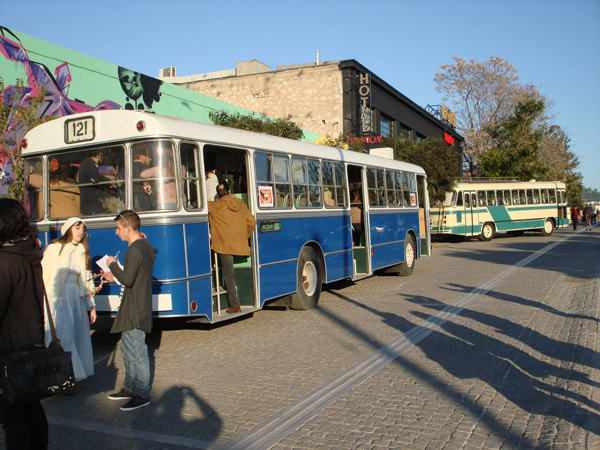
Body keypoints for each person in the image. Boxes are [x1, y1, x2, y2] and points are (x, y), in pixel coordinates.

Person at [0, 199, 49, 449]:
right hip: (32, 341)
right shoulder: (29, 254)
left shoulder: (6, 260)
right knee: (32, 408)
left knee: (14, 415)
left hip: (10, 346)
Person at [103, 210, 157, 411]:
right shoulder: (143, 246)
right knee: (128, 350)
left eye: (118, 228)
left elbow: (128, 279)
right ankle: (130, 387)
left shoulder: (134, 249)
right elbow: (132, 277)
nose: (116, 233)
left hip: (135, 308)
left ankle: (141, 393)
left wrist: (113, 265)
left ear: (128, 228)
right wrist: (114, 275)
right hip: (135, 305)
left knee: (136, 352)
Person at [41, 217, 96, 381]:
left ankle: (69, 374)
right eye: (77, 228)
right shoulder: (54, 248)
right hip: (58, 297)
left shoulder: (81, 250)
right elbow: (44, 275)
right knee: (64, 337)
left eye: (83, 229)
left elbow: (86, 279)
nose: (81, 232)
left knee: (77, 337)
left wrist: (91, 305)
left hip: (75, 300)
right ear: (68, 229)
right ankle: (67, 375)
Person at [208, 182, 256, 313]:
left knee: (228, 275)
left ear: (218, 195)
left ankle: (235, 304)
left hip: (224, 245)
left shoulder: (215, 205)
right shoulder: (241, 204)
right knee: (232, 274)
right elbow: (252, 222)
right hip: (239, 244)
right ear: (230, 192)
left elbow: (199, 207)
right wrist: (243, 237)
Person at [132, 146, 156, 211]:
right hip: (144, 203)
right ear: (143, 157)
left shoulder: (123, 170)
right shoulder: (145, 169)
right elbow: (152, 190)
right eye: (149, 156)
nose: (150, 159)